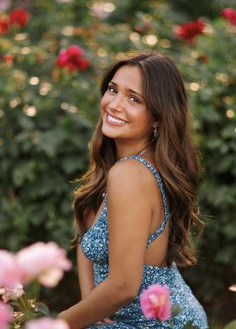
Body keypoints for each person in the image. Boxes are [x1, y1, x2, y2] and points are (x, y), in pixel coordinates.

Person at [59, 52, 208, 328]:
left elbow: (124, 287)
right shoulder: (118, 168)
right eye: (113, 90)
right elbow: (87, 237)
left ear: (158, 118)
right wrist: (89, 306)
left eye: (134, 98)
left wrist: (56, 324)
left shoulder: (130, 174)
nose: (114, 104)